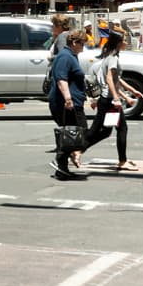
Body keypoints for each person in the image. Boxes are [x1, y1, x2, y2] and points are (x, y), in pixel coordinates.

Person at [82, 30, 143, 171]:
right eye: (124, 41)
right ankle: (73, 151)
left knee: (102, 131)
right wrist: (117, 99)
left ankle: (76, 151)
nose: (126, 43)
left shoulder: (111, 56)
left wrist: (130, 93)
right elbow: (110, 79)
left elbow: (117, 80)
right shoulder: (113, 58)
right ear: (118, 43)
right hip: (109, 100)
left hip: (107, 99)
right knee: (120, 128)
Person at [48, 30, 89, 180]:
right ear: (74, 43)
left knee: (73, 135)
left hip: (73, 102)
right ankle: (60, 160)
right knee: (79, 133)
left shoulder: (71, 56)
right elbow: (61, 79)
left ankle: (62, 167)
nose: (83, 47)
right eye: (82, 43)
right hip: (66, 104)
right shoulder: (65, 57)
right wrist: (68, 99)